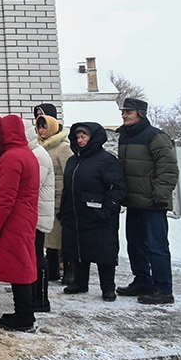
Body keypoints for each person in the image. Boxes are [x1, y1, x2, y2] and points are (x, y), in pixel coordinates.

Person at [115, 97, 179, 305]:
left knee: (156, 246)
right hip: (134, 202)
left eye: (128, 112)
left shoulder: (156, 137)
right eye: (123, 112)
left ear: (140, 113)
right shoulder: (125, 136)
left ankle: (163, 289)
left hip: (152, 203)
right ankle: (142, 280)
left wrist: (160, 196)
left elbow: (168, 169)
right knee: (134, 244)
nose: (124, 115)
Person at [0, 115, 40, 332]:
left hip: (12, 221)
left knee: (20, 268)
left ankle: (24, 317)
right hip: (23, 218)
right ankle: (24, 313)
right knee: (22, 264)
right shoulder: (26, 155)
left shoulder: (11, 158)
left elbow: (6, 196)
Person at [60, 122, 126, 302]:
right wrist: (64, 209)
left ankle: (108, 288)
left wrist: (107, 209)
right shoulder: (73, 160)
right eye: (78, 137)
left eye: (84, 137)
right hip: (75, 213)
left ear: (94, 138)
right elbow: (68, 188)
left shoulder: (106, 160)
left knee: (103, 251)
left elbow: (117, 187)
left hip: (99, 215)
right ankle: (80, 282)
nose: (80, 140)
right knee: (79, 249)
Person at [36, 114, 73, 285]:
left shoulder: (63, 147)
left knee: (62, 238)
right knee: (49, 236)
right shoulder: (40, 147)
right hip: (46, 198)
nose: (42, 130)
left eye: (45, 127)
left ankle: (69, 272)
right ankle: (52, 270)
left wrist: (65, 197)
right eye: (39, 127)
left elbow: (69, 174)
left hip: (59, 198)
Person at [25, 121, 55, 313]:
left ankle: (42, 298)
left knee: (37, 256)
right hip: (35, 212)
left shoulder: (38, 156)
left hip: (38, 214)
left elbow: (32, 185)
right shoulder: (33, 153)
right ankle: (35, 295)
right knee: (33, 255)